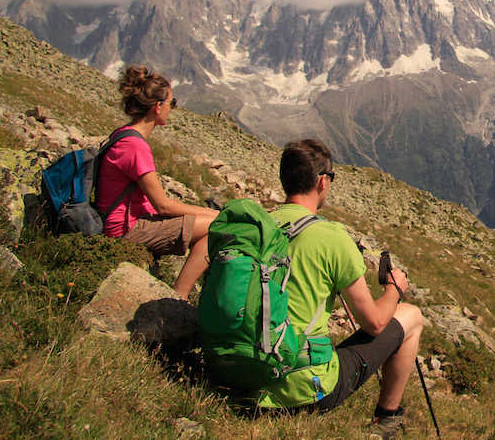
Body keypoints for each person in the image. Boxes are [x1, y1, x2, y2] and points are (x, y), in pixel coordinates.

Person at [256, 139, 423, 437]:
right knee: (410, 316)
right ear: (322, 181)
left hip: (242, 376)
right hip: (301, 389)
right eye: (331, 179)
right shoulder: (330, 236)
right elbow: (374, 323)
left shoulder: (257, 226)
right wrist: (393, 291)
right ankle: (387, 418)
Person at [95, 65, 218, 299]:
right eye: (172, 102)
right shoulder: (135, 147)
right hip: (125, 228)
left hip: (129, 219)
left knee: (212, 220)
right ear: (157, 106)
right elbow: (162, 205)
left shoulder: (124, 134)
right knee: (216, 228)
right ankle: (178, 297)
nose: (173, 108)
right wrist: (211, 214)